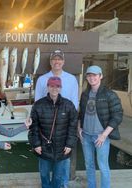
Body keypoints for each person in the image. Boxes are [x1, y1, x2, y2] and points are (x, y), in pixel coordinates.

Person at [34, 49, 79, 187]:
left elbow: (75, 107)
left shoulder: (72, 79)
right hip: (46, 130)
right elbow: (37, 106)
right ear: (50, 61)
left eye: (59, 59)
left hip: (64, 131)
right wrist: (36, 141)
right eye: (54, 59)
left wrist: (70, 140)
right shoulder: (42, 79)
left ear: (63, 61)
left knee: (62, 170)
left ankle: (63, 185)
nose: (57, 61)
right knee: (44, 170)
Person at [78, 65, 123, 188]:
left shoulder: (110, 94)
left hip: (100, 137)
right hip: (86, 136)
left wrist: (104, 135)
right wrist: (79, 128)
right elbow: (81, 113)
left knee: (103, 166)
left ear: (101, 76)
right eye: (89, 75)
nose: (92, 78)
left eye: (95, 75)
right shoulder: (85, 94)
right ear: (87, 77)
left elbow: (118, 116)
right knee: (89, 165)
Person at [28, 76, 78, 188]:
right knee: (44, 175)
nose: (54, 88)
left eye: (57, 86)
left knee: (58, 177)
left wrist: (70, 144)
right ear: (48, 87)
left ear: (61, 88)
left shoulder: (68, 105)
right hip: (44, 147)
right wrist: (36, 144)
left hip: (62, 149)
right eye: (52, 86)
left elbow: (73, 126)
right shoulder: (38, 105)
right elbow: (34, 127)